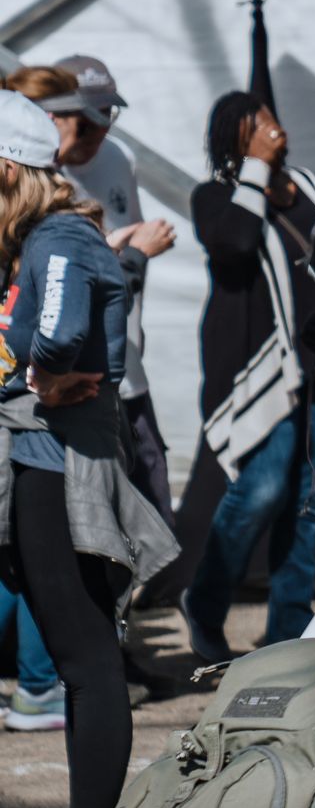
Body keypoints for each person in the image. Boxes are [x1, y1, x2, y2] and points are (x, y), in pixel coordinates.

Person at [0, 91, 178, 808]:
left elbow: (62, 337)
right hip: (35, 460)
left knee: (85, 661)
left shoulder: (63, 235)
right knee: (82, 657)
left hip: (57, 469)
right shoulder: (35, 241)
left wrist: (31, 381)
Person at [185, 92, 315, 664]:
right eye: (257, 126)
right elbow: (235, 245)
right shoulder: (217, 197)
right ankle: (202, 604)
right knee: (263, 489)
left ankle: (287, 630)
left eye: (273, 119)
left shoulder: (308, 184)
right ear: (234, 138)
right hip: (260, 371)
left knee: (309, 496)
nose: (273, 130)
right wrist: (253, 169)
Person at [29, 58, 175, 512]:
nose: (100, 131)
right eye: (87, 121)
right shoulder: (34, 180)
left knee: (157, 518)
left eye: (108, 117)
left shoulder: (116, 159)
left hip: (123, 372)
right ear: (49, 117)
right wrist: (130, 255)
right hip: (61, 384)